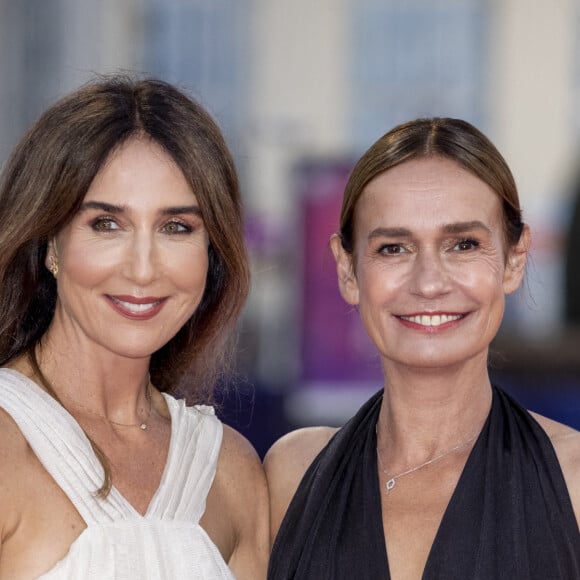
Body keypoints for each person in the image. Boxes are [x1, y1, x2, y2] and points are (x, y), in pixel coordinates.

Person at [265, 117, 580, 579]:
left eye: (463, 244)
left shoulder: (573, 479)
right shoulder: (290, 473)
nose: (429, 282)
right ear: (348, 271)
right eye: (394, 248)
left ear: (514, 260)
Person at [0, 76, 269, 579]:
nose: (143, 269)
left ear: (211, 254)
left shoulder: (231, 472)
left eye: (176, 228)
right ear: (50, 243)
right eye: (106, 224)